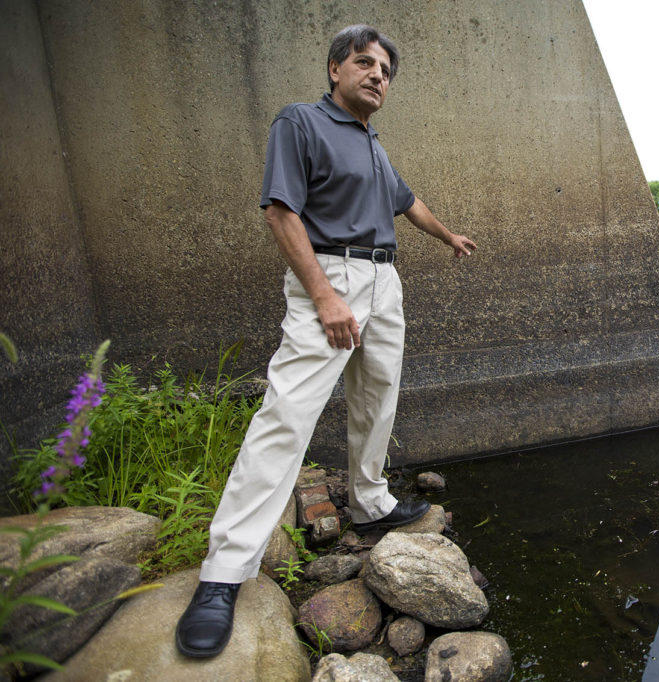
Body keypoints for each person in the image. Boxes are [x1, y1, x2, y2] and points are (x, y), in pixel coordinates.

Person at [175, 24, 476, 659]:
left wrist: (446, 236)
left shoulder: (373, 144)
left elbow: (408, 201)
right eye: (365, 63)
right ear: (335, 68)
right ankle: (224, 571)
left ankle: (369, 502)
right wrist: (324, 296)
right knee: (285, 417)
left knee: (378, 399)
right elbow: (281, 212)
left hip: (383, 278)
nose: (378, 76)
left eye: (386, 70)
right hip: (329, 275)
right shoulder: (301, 123)